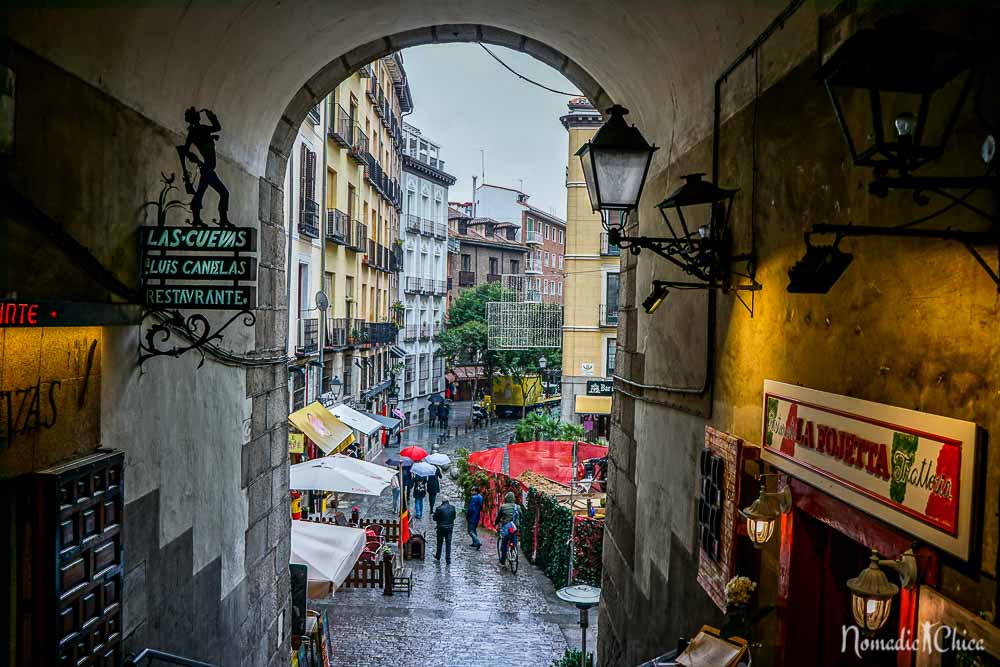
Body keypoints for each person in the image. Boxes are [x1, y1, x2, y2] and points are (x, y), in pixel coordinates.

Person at [494, 491, 523, 565]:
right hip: (514, 527)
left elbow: (499, 517)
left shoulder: (503, 507)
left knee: (504, 542)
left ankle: (503, 559)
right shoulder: (518, 507)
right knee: (514, 540)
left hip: (506, 528)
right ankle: (514, 550)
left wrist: (496, 523)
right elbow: (521, 516)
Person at [432, 496, 457, 564]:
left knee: (439, 542)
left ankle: (438, 556)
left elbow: (435, 518)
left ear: (442, 501)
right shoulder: (453, 508)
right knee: (448, 543)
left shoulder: (439, 508)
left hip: (441, 527)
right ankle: (448, 559)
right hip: (449, 528)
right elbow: (454, 517)